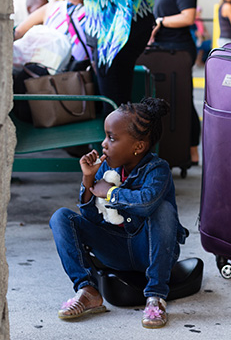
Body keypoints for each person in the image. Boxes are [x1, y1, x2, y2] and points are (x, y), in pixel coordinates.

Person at [49, 97, 188, 329]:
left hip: (150, 251)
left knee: (162, 209)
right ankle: (87, 290)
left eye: (111, 138)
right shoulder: (106, 167)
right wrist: (88, 178)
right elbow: (91, 218)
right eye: (105, 136)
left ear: (138, 147)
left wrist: (111, 194)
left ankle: (155, 297)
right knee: (61, 217)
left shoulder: (158, 170)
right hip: (116, 249)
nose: (104, 144)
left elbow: (145, 204)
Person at [149, 0, 201, 165]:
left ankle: (190, 150)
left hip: (178, 51)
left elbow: (187, 16)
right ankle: (173, 149)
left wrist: (161, 21)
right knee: (168, 98)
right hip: (163, 50)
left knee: (182, 99)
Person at [14, 0, 90, 66]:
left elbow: (18, 32)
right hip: (83, 72)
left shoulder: (52, 8)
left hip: (54, 72)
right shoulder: (94, 16)